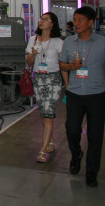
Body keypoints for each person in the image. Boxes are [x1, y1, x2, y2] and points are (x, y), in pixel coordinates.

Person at [59, 6, 105, 188]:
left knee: (95, 135)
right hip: (74, 94)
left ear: (91, 22)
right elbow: (62, 64)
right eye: (75, 20)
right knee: (72, 130)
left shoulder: (103, 43)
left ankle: (92, 172)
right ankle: (76, 155)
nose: (76, 23)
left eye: (80, 20)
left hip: (96, 95)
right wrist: (70, 67)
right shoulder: (69, 42)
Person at [25, 12, 64, 163]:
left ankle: (42, 150)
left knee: (48, 113)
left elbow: (62, 64)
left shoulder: (58, 42)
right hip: (38, 78)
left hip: (53, 79)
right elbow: (29, 62)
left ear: (52, 24)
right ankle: (51, 140)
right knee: (43, 112)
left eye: (46, 19)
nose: (42, 21)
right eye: (41, 19)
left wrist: (68, 83)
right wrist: (33, 54)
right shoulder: (33, 40)